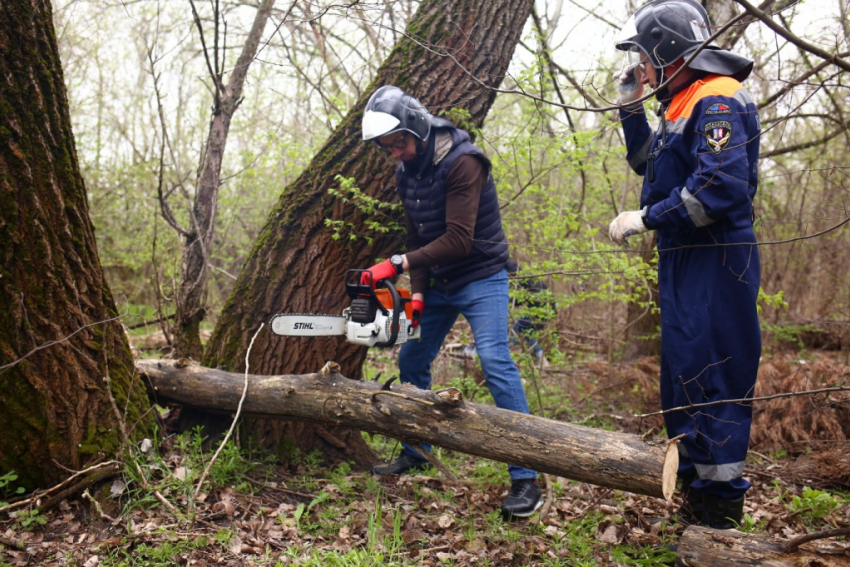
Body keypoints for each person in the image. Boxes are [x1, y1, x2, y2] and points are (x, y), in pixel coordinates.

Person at [610, 0, 761, 529]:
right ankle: (697, 501)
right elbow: (650, 165)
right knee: (683, 380)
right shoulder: (680, 101)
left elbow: (716, 189)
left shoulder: (718, 99)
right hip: (683, 259)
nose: (640, 70)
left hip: (716, 260)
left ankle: (720, 520)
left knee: (714, 374)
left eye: (643, 60)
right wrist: (631, 110)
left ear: (668, 53)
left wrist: (647, 218)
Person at [360, 85, 542, 519]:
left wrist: (398, 264)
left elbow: (459, 240)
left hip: (481, 276)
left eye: (399, 142)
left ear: (417, 129)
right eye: (387, 147)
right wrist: (418, 292)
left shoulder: (463, 162)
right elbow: (419, 238)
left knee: (496, 361)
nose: (396, 153)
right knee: (413, 357)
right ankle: (416, 450)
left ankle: (527, 478)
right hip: (438, 281)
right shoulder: (407, 172)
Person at [506, 260, 550, 366]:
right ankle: (542, 360)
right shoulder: (530, 277)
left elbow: (520, 298)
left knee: (515, 328)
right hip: (547, 311)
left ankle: (517, 354)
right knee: (529, 332)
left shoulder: (523, 279)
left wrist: (507, 300)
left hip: (538, 311)